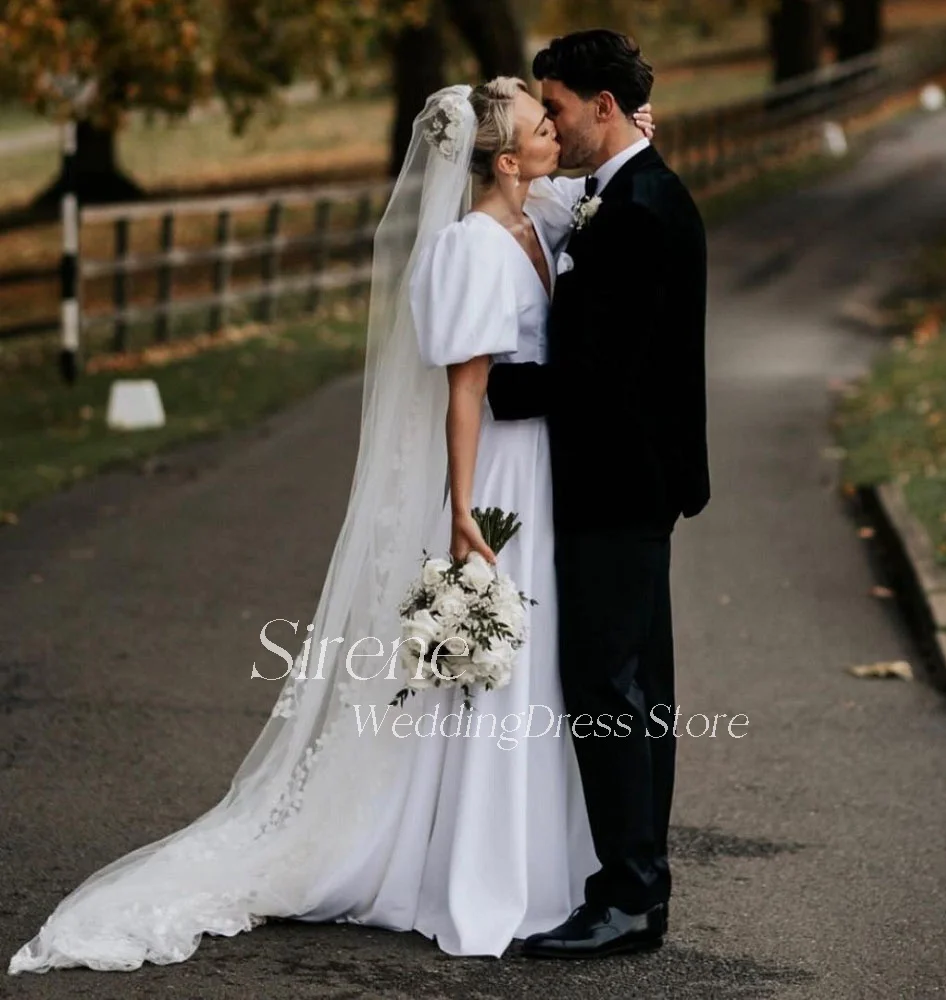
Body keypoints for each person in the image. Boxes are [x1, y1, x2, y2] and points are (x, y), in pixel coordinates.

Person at [7, 72, 659, 974]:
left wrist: (630, 132)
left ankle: (551, 861)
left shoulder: (539, 220)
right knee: (500, 673)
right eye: (542, 124)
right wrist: (464, 509)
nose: (558, 131)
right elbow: (464, 389)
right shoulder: (474, 247)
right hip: (505, 470)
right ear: (506, 159)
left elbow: (601, 187)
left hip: (551, 470)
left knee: (542, 666)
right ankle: (481, 867)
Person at [486, 29, 710, 958]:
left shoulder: (632, 216)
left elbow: (598, 375)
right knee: (640, 689)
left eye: (562, 108)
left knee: (607, 691)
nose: (555, 124)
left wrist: (498, 385)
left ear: (603, 108)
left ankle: (626, 898)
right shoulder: (635, 192)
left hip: (614, 484)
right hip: (640, 481)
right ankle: (639, 887)